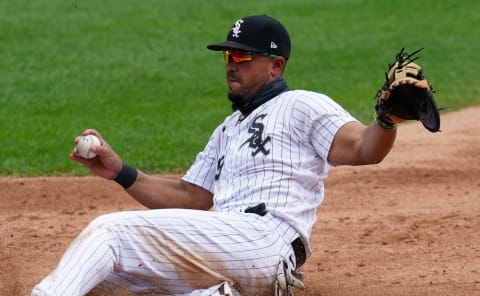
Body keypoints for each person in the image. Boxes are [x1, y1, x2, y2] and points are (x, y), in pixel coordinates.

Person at [32, 14, 399, 296]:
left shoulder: (301, 104)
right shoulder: (227, 130)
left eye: (242, 55)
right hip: (233, 251)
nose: (230, 63)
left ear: (275, 65)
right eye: (228, 54)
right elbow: (189, 197)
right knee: (109, 282)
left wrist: (385, 120)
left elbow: (363, 147)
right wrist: (119, 171)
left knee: (109, 232)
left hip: (264, 237)